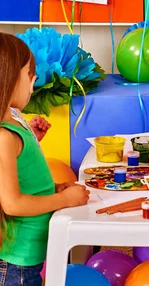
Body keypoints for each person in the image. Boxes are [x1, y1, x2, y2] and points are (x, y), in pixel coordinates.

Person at [0, 33, 90, 286]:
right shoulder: (4, 136)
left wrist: (53, 187)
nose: (34, 79)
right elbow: (13, 204)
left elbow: (22, 172)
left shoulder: (15, 121)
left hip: (27, 256)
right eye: (29, 73)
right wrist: (62, 199)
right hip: (15, 261)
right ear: (7, 77)